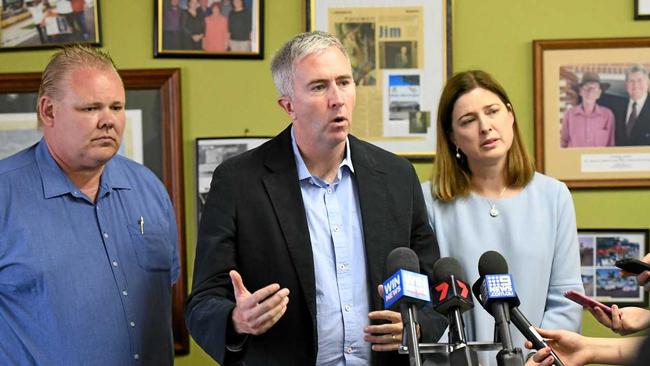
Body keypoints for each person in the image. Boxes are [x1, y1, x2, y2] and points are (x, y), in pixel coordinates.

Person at [185, 31, 445, 365]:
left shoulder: (396, 176)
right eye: (319, 86)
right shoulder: (238, 182)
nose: (337, 98)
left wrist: (417, 326)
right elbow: (203, 302)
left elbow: (436, 290)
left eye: (345, 82)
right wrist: (237, 320)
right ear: (288, 105)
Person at [0, 45, 180, 365]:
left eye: (116, 106)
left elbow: (167, 293)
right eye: (90, 108)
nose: (108, 121)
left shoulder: (149, 188)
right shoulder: (5, 194)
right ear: (49, 111)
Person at [421, 70, 584, 366]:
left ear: (510, 115)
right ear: (452, 136)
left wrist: (536, 359)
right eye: (468, 120)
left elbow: (565, 300)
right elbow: (429, 309)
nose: (485, 127)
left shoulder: (553, 196)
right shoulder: (428, 202)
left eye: (492, 111)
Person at [560, 72, 615, 148]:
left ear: (599, 93)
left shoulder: (608, 115)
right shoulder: (569, 114)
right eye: (586, 88)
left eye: (594, 88)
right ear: (580, 91)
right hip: (575, 159)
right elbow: (563, 143)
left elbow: (611, 145)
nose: (590, 92)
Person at [605, 65, 650, 146]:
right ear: (626, 85)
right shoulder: (617, 108)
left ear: (647, 83)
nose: (635, 85)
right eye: (631, 81)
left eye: (640, 80)